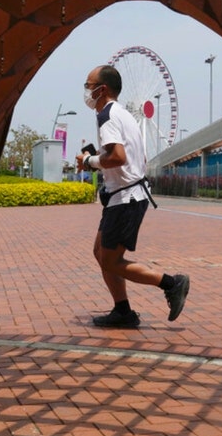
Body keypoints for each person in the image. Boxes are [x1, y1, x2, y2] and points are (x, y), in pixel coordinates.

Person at [76, 65, 190, 328]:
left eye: (88, 85)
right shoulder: (123, 115)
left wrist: (90, 160)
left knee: (111, 261)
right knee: (100, 252)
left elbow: (117, 156)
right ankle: (122, 311)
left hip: (126, 199)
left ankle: (172, 283)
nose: (86, 91)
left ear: (101, 89)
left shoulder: (107, 116)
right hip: (124, 195)